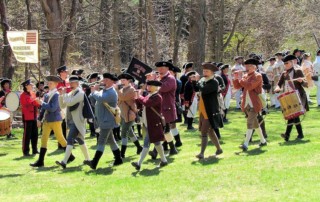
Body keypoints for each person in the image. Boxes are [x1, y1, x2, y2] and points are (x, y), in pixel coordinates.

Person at [30, 76, 75, 167]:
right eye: (48, 83)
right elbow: (43, 109)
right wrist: (39, 119)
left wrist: (42, 103)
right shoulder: (47, 95)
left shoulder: (56, 95)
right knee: (43, 139)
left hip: (55, 120)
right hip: (47, 120)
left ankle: (70, 156)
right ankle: (40, 161)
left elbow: (52, 108)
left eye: (51, 83)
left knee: (61, 139)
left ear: (56, 84)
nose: (49, 84)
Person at [87, 73, 123, 169]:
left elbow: (100, 98)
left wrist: (94, 91)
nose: (104, 81)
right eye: (104, 79)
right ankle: (118, 159)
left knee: (101, 141)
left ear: (112, 81)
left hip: (107, 120)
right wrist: (92, 92)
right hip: (103, 119)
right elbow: (95, 101)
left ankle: (94, 162)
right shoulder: (104, 91)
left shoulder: (111, 92)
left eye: (106, 80)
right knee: (111, 140)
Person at [131, 80, 168, 170]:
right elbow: (142, 104)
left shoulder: (157, 97)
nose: (148, 87)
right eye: (148, 86)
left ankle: (139, 163)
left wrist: (139, 96)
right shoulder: (149, 95)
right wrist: (137, 99)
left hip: (153, 124)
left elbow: (147, 103)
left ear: (155, 87)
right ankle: (164, 160)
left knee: (147, 143)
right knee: (157, 143)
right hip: (148, 123)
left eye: (150, 86)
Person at [56, 75, 91, 169]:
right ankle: (88, 159)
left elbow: (70, 103)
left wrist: (64, 94)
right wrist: (60, 95)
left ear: (77, 83)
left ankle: (64, 162)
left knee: (70, 139)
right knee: (80, 140)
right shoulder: (71, 93)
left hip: (77, 121)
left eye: (72, 83)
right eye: (69, 83)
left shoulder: (80, 93)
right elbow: (63, 105)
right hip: (71, 120)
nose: (70, 84)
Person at [233, 59, 267, 151]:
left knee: (250, 122)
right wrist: (236, 78)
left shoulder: (258, 76)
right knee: (255, 124)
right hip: (246, 103)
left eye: (249, 67)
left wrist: (240, 79)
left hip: (255, 103)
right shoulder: (245, 76)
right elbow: (237, 86)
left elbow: (249, 86)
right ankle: (263, 141)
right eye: (246, 66)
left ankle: (246, 144)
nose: (246, 68)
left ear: (254, 67)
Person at [149, 61, 179, 159]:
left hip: (167, 108)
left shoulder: (170, 78)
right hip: (160, 108)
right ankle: (173, 148)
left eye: (162, 68)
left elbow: (163, 88)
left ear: (167, 69)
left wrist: (154, 80)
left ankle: (155, 152)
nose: (159, 70)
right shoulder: (160, 79)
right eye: (158, 68)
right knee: (165, 130)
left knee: (162, 130)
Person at [275, 55, 309, 141]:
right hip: (288, 97)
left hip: (298, 96)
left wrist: (302, 81)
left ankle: (287, 135)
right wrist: (277, 88)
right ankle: (300, 134)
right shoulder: (284, 73)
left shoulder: (298, 71)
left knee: (293, 115)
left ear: (292, 62)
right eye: (284, 63)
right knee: (294, 116)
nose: (285, 65)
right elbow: (279, 84)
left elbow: (306, 84)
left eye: (287, 63)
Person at [195, 63, 223, 159]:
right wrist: (195, 82)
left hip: (210, 110)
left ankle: (202, 153)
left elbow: (204, 90)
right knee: (210, 131)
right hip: (203, 110)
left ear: (212, 72)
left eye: (207, 71)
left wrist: (198, 81)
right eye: (204, 71)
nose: (204, 73)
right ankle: (219, 149)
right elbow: (196, 88)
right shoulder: (204, 81)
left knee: (204, 131)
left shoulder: (214, 82)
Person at [116, 73, 143, 159]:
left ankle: (122, 153)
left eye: (124, 80)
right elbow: (119, 99)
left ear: (128, 81)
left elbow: (123, 98)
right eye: (121, 80)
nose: (122, 82)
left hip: (129, 115)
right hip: (122, 114)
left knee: (124, 133)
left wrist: (117, 90)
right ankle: (139, 147)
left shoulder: (131, 89)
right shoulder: (122, 90)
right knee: (130, 133)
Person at [20, 79, 40, 156]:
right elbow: (28, 103)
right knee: (27, 135)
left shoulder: (33, 93)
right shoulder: (23, 95)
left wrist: (37, 101)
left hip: (34, 116)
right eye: (30, 85)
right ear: (26, 86)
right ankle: (26, 151)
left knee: (35, 134)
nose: (32, 86)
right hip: (27, 117)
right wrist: (35, 101)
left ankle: (34, 149)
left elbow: (37, 104)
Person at [56, 65, 71, 149]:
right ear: (61, 72)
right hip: (60, 106)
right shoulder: (57, 82)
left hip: (66, 105)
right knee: (61, 126)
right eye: (65, 72)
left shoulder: (66, 81)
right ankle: (61, 144)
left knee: (66, 125)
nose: (67, 73)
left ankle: (65, 142)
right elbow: (59, 92)